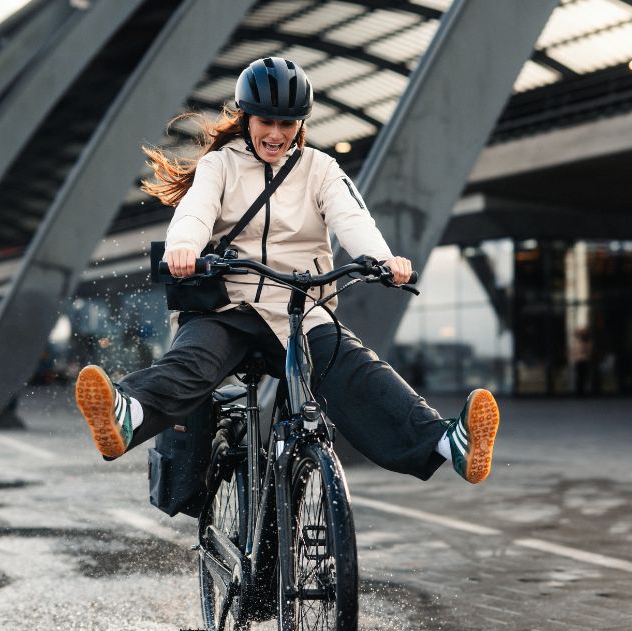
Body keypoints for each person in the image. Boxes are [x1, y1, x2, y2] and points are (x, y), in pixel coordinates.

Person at [75, 57, 499, 484]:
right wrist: (184, 248)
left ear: (300, 124)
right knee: (194, 361)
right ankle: (127, 412)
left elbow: (352, 219)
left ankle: (448, 443)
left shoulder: (320, 170)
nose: (276, 133)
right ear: (247, 118)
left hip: (299, 308)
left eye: (288, 123)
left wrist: (384, 259)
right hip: (229, 306)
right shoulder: (219, 166)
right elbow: (195, 213)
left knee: (357, 369)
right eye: (267, 121)